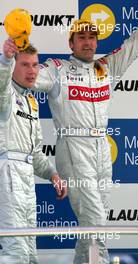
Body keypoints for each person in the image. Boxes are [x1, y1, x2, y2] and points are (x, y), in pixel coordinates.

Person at [4, 1, 138, 263]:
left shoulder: (106, 67)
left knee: (95, 223)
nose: (87, 42)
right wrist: (9, 58)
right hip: (73, 146)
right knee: (94, 219)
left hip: (101, 149)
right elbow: (20, 77)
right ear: (71, 43)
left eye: (92, 38)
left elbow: (137, 43)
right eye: (81, 37)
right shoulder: (56, 70)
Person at [0, 43, 67, 264]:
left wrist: (53, 175)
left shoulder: (31, 100)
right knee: (15, 249)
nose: (32, 71)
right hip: (7, 174)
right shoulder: (5, 93)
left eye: (36, 65)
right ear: (13, 67)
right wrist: (6, 59)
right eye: (25, 65)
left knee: (29, 253)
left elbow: (35, 152)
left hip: (26, 176)